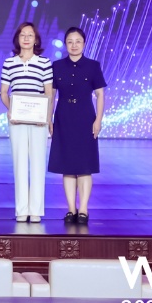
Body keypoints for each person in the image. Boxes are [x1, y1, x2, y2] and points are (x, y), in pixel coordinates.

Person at [49, 26, 108, 224]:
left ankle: (83, 209)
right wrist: (49, 119)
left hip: (86, 118)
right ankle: (71, 209)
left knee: (84, 166)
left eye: (78, 41)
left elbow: (100, 95)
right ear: (66, 44)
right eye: (70, 42)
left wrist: (98, 120)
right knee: (67, 166)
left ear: (84, 44)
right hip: (63, 117)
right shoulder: (57, 66)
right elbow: (51, 96)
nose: (74, 45)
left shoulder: (93, 66)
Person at [1, 22, 54, 223]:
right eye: (22, 34)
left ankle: (36, 210)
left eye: (30, 35)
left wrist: (46, 117)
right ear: (17, 38)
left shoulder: (45, 63)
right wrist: (11, 110)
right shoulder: (9, 62)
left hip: (39, 121)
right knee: (19, 163)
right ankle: (22, 210)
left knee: (38, 163)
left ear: (36, 39)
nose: (26, 38)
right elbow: (4, 92)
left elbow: (48, 93)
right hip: (17, 121)